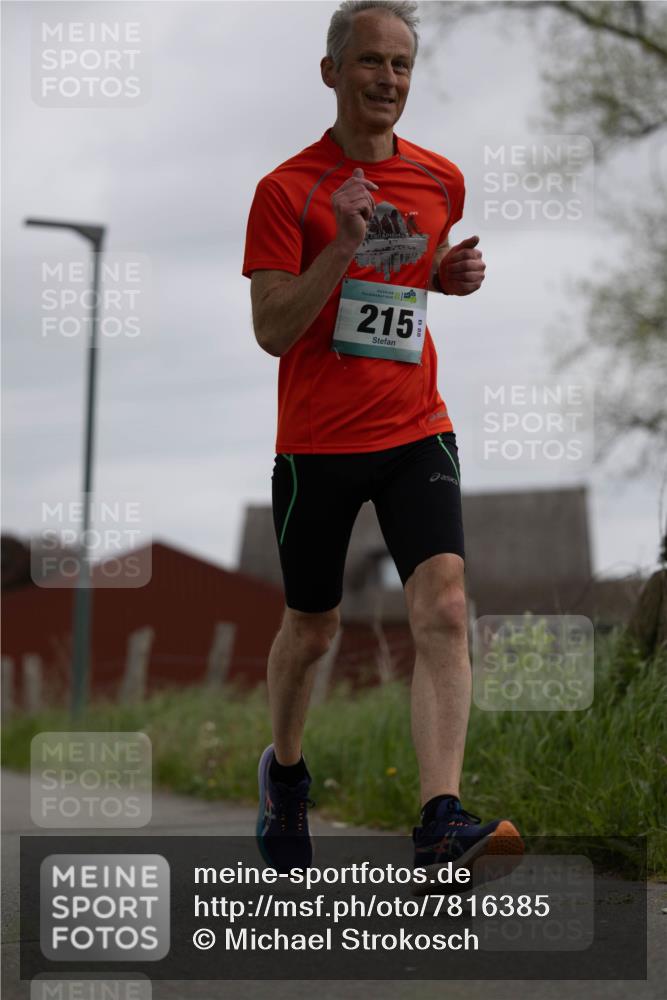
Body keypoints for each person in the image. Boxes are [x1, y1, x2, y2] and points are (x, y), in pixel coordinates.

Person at [242, 0, 522, 878]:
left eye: (401, 65)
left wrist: (448, 274)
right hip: (317, 442)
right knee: (313, 628)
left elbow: (408, 277)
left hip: (414, 426)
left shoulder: (439, 180)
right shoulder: (285, 190)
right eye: (371, 62)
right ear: (332, 72)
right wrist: (338, 250)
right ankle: (285, 775)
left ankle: (440, 819)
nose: (388, 81)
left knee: (442, 604)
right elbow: (271, 330)